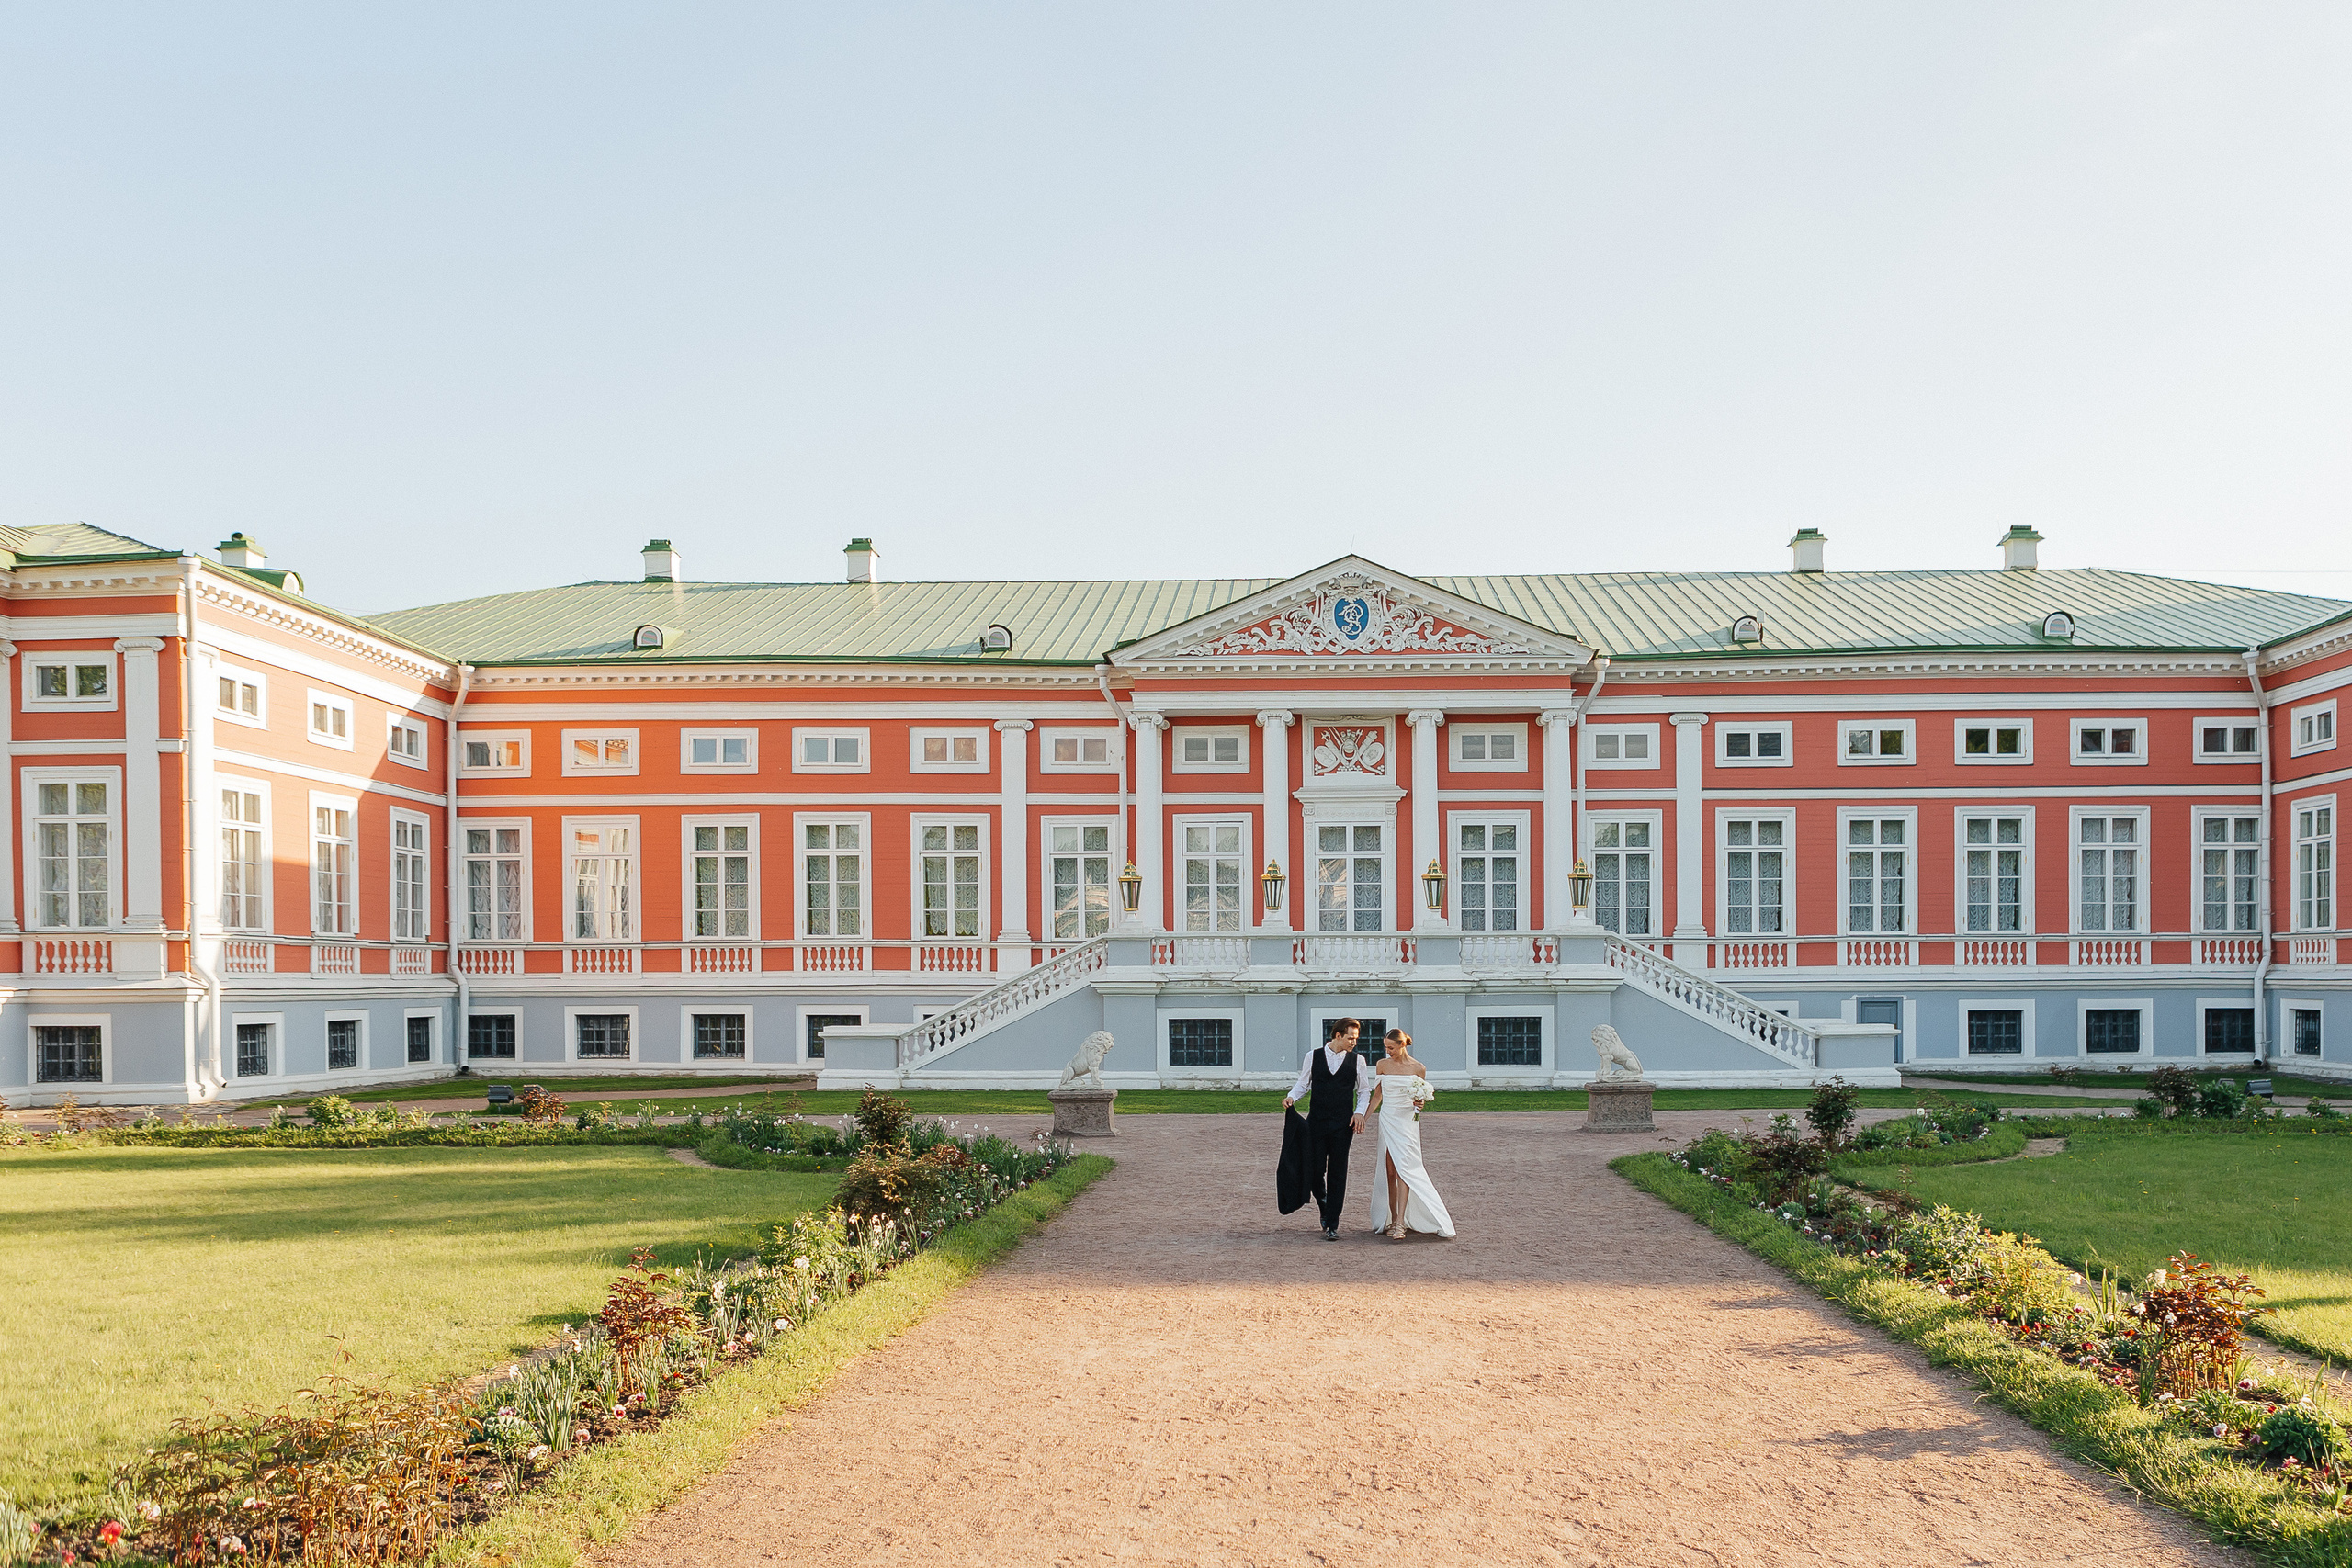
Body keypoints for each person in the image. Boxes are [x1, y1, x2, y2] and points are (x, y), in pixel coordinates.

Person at [1281, 1019, 1370, 1240]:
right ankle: (1323, 1203)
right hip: (1317, 1123)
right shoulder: (1313, 1056)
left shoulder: (1358, 1061)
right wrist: (1292, 1097)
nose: (1354, 1042)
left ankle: (1332, 1223)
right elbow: (1303, 1083)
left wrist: (1359, 1112)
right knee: (1314, 1170)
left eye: (1356, 1039)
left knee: (1338, 1172)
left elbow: (1364, 1091)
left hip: (1343, 1125)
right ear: (1338, 1035)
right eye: (1350, 1038)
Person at [1365, 1029, 1455, 1240]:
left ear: (1402, 1045)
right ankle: (1392, 1218)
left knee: (1404, 1170)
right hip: (1388, 1120)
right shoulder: (1382, 1065)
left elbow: (1419, 1097)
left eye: (1391, 1048)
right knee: (1390, 1172)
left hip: (1406, 1122)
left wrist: (1420, 1104)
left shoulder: (1418, 1068)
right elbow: (1377, 1096)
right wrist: (1363, 1117)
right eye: (1386, 1048)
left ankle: (1401, 1223)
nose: (1388, 1052)